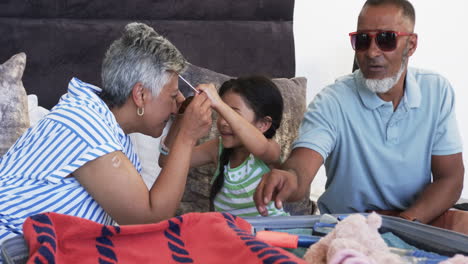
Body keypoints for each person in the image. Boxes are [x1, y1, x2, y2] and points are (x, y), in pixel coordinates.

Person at [254, 0, 465, 229]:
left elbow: (450, 178)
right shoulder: (332, 101)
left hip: (415, 219)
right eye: (362, 41)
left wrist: (403, 223)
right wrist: (290, 179)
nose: (372, 52)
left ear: (411, 45)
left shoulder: (436, 91)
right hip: (349, 226)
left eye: (386, 39)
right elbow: (302, 167)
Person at [0, 22, 213, 243]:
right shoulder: (86, 126)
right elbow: (149, 220)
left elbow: (166, 164)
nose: (175, 106)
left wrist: (181, 126)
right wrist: (187, 137)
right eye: (172, 96)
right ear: (140, 94)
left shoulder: (105, 125)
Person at [159, 76, 289, 217]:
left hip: (273, 234)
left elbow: (261, 148)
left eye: (232, 113)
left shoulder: (270, 151)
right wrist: (180, 117)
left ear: (263, 124)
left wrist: (219, 104)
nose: (222, 122)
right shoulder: (217, 149)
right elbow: (166, 162)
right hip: (234, 236)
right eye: (220, 113)